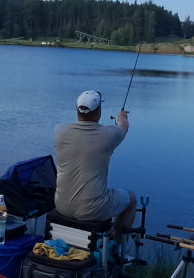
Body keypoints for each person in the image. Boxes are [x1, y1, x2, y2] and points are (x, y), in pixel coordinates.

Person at [53, 90, 137, 238]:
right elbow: (123, 127)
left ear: (77, 110)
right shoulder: (109, 135)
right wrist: (122, 116)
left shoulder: (60, 131)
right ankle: (116, 247)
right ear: (99, 111)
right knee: (131, 199)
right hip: (93, 210)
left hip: (61, 205)